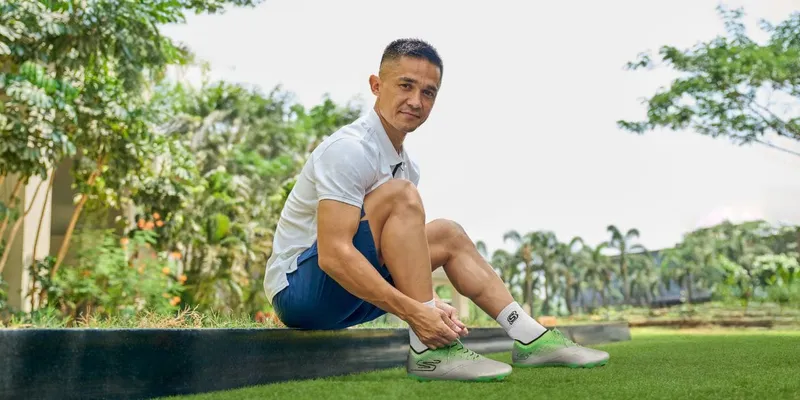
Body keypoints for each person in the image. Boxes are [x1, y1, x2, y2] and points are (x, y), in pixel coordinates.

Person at [263, 38, 610, 381]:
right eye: (406, 85)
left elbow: (397, 250)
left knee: (448, 234)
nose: (416, 101)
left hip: (346, 299)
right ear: (376, 85)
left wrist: (424, 302)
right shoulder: (349, 149)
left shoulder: (406, 166)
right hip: (300, 294)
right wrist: (418, 312)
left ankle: (530, 337)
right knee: (401, 196)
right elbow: (333, 255)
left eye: (428, 92)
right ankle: (429, 352)